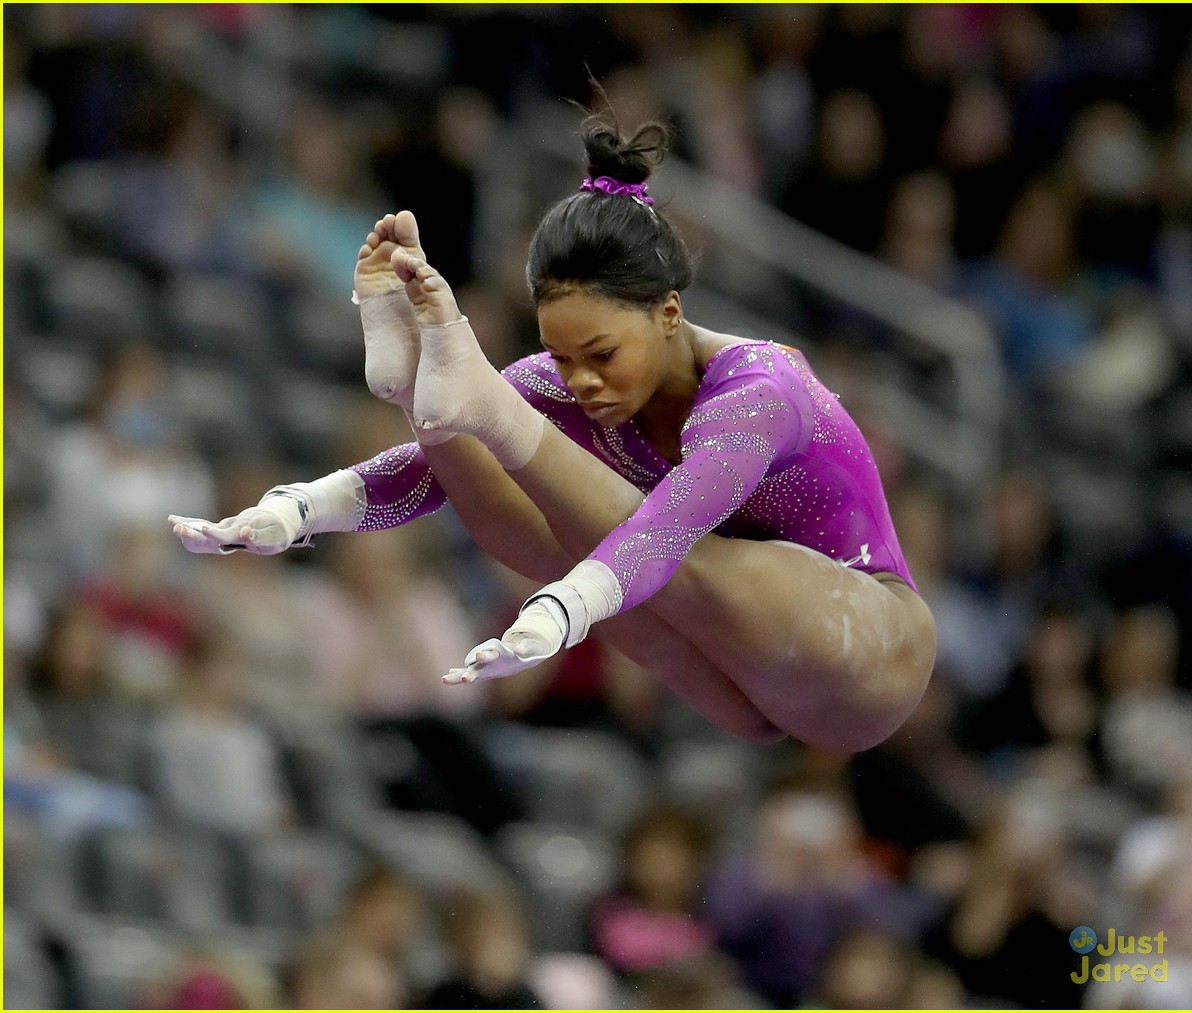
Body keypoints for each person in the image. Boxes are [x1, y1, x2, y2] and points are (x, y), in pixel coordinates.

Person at [170, 106, 935, 752]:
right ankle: (420, 396)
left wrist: (561, 608)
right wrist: (298, 509)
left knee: (643, 548)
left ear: (669, 313)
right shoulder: (562, 380)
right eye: (563, 357)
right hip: (744, 690)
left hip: (863, 649)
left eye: (602, 354)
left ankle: (479, 408)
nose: (582, 381)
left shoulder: (758, 390)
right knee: (522, 492)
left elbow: (673, 526)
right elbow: (429, 481)